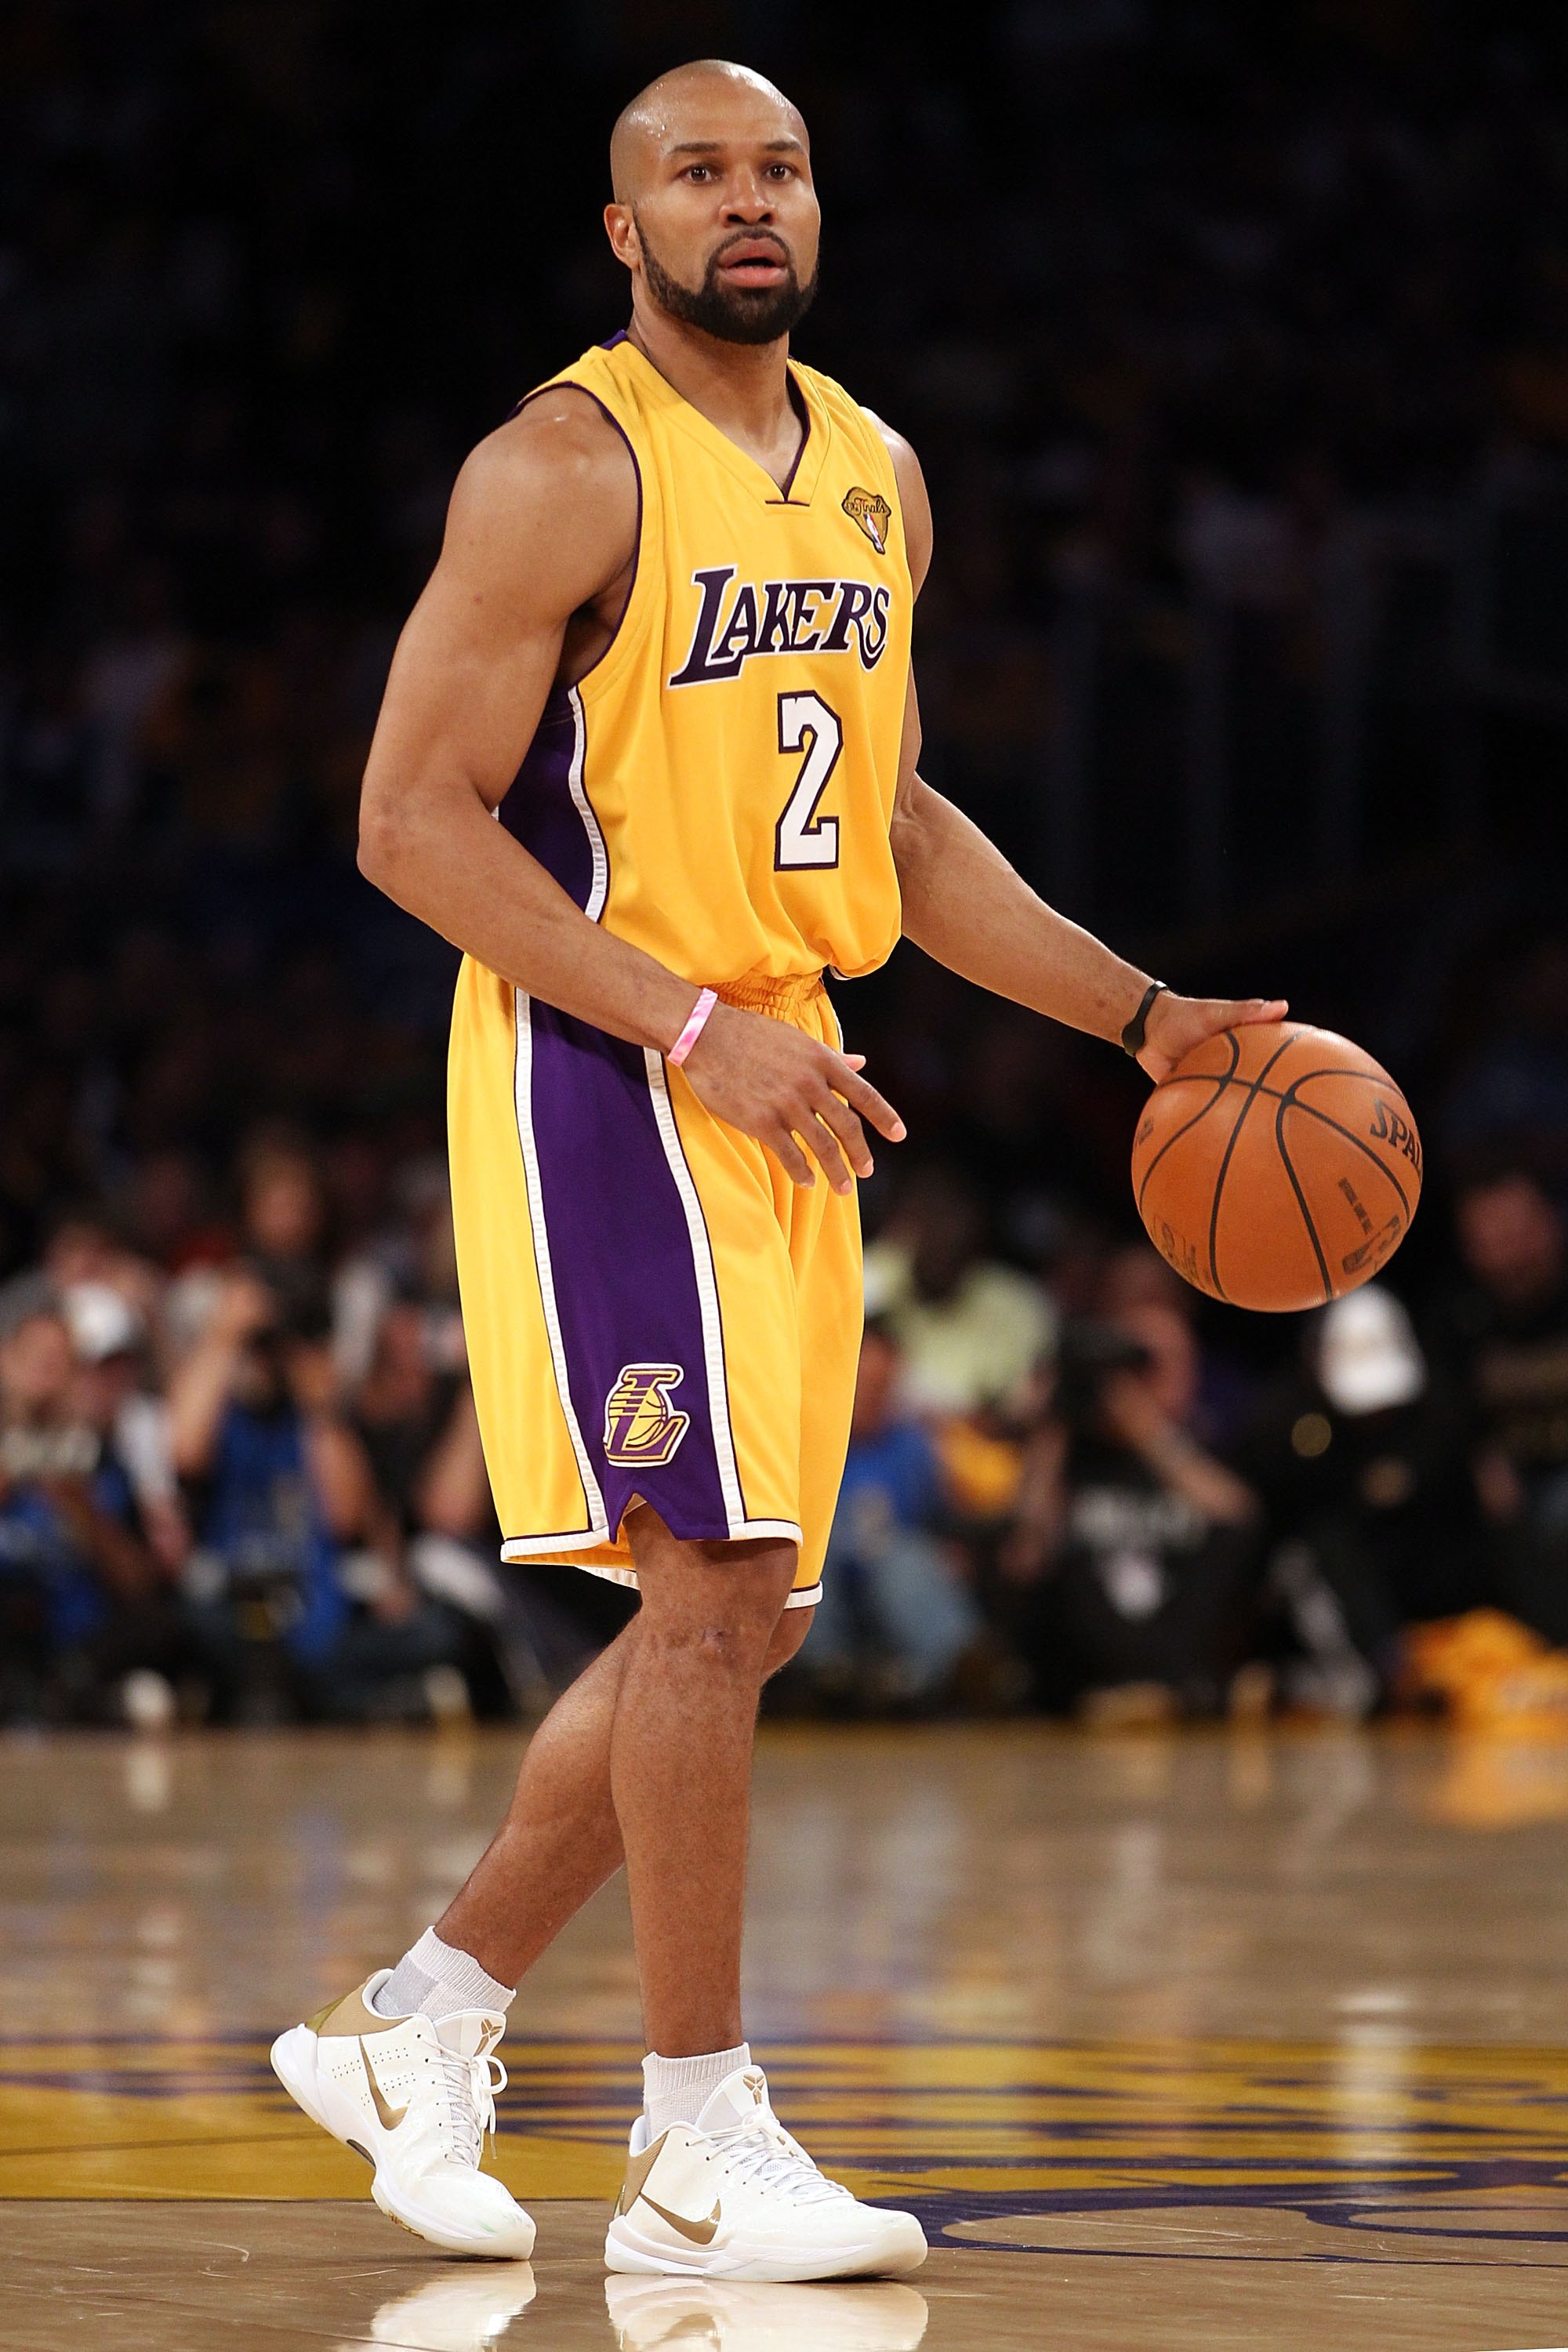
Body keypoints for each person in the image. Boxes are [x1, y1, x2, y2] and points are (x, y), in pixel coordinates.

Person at [268, 58, 1283, 2279]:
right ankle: (691, 2145)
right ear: (620, 226)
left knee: (752, 1611)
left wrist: (1144, 1018)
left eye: (783, 168)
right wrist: (687, 1027)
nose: (750, 201)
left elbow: (894, 824)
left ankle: (419, 2016)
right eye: (699, 173)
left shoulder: (878, 475)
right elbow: (408, 823)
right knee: (716, 1591)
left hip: (784, 1059)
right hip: (609, 1054)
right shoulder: (559, 466)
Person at [999, 1296, 1261, 1717]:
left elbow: (1241, 1518)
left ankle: (1169, 1688)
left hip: (1177, 1646)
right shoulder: (1074, 1453)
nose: (1139, 1379)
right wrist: (1055, 1426)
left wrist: (1149, 1433)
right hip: (1087, 1667)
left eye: (1152, 1362)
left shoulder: (1211, 1437)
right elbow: (1024, 1555)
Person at [808, 1320, 984, 1708]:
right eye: (862, 1385)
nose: (870, 1398)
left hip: (892, 1582)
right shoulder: (806, 1443)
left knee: (905, 1560)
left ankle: (958, 1665)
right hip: (826, 1583)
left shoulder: (915, 1446)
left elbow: (943, 1521)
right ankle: (824, 1673)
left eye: (881, 1387)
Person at [1429, 1167, 1568, 1644]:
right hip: (1515, 1482)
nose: (1508, 1255)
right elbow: (1453, 1417)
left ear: (1550, 1225)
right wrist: (1483, 1458)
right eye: (1489, 1241)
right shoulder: (1460, 1318)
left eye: (1517, 1234)